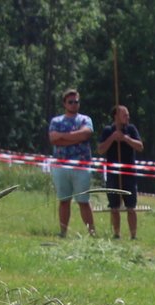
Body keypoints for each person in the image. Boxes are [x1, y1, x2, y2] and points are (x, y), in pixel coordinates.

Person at [47, 88, 95, 238]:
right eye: (71, 102)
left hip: (82, 166)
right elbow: (53, 139)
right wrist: (76, 138)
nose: (74, 104)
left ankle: (92, 233)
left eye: (76, 101)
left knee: (83, 201)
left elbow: (86, 134)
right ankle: (63, 232)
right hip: (61, 166)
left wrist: (63, 137)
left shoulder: (85, 119)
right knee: (64, 201)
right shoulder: (56, 121)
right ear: (64, 104)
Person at [99, 104, 142, 241]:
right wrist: (112, 138)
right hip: (113, 174)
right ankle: (116, 234)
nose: (127, 117)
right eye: (125, 115)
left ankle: (133, 235)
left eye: (128, 115)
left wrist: (125, 138)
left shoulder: (131, 129)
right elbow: (100, 149)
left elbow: (140, 146)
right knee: (114, 207)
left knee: (131, 207)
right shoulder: (108, 130)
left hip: (129, 173)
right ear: (116, 116)